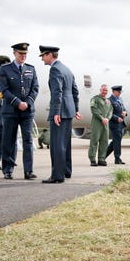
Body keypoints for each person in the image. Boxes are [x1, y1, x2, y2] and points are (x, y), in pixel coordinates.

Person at [39, 45, 82, 183]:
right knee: (65, 143)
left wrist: (56, 111)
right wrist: (75, 109)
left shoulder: (55, 69)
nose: (42, 59)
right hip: (68, 111)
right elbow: (75, 91)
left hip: (60, 111)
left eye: (43, 56)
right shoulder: (67, 69)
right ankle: (66, 171)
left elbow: (57, 92)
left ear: (50, 55)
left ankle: (57, 176)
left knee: (57, 144)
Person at [0, 42, 39, 180]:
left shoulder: (31, 69)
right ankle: (8, 170)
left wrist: (27, 103)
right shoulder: (5, 69)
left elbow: (35, 89)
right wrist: (17, 103)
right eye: (21, 54)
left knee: (28, 141)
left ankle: (28, 171)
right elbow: (4, 90)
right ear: (14, 53)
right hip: (11, 111)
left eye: (25, 54)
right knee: (9, 141)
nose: (23, 56)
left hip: (27, 111)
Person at [88, 84, 112, 166]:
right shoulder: (95, 99)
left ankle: (101, 159)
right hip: (97, 123)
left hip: (105, 123)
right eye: (103, 90)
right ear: (100, 90)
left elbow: (110, 111)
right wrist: (102, 118)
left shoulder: (108, 101)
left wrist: (107, 118)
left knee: (104, 141)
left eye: (106, 90)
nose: (105, 92)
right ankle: (92, 159)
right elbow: (94, 109)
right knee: (94, 141)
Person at [105, 85, 127, 164]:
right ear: (114, 92)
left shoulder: (120, 99)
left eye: (120, 92)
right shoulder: (109, 100)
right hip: (114, 124)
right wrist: (116, 118)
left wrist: (125, 112)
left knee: (115, 142)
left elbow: (123, 109)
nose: (120, 93)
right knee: (117, 142)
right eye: (119, 92)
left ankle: (103, 156)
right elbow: (108, 113)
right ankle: (117, 159)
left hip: (121, 124)